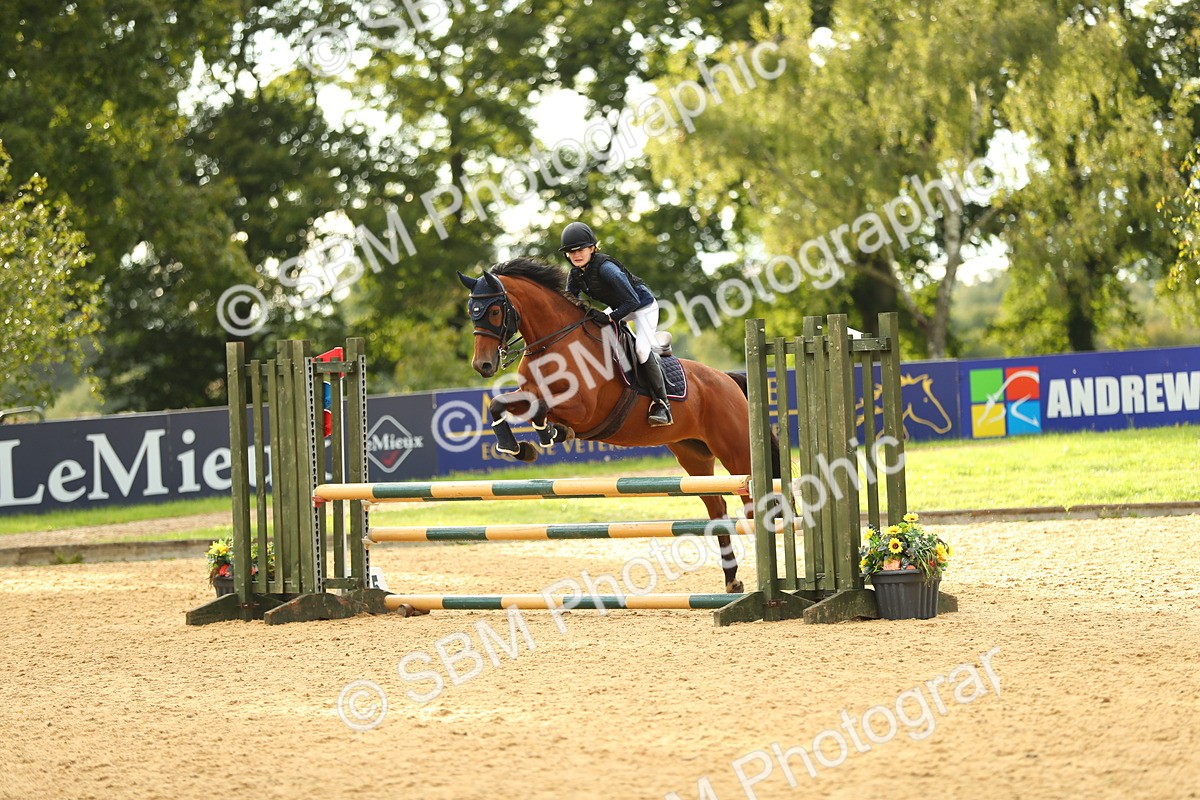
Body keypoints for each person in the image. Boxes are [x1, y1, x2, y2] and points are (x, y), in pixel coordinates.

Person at [559, 221, 673, 427]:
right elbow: (570, 302)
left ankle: (662, 404)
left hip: (643, 307)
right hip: (620, 307)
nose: (576, 255)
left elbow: (632, 301)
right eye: (571, 251)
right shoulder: (575, 274)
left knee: (641, 350)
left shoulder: (607, 269)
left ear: (592, 248)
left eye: (581, 249)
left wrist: (612, 318)